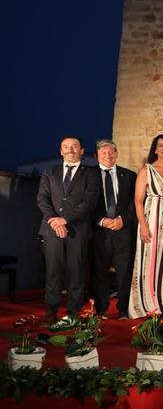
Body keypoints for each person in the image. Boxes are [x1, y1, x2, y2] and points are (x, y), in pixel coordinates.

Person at [38, 136, 100, 329]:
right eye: (66, 147)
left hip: (78, 230)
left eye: (74, 146)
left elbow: (89, 203)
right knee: (52, 272)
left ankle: (73, 312)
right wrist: (54, 221)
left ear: (82, 151)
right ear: (60, 151)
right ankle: (51, 311)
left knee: (76, 272)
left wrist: (65, 220)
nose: (70, 150)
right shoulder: (49, 173)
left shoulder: (91, 174)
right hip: (51, 230)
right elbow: (42, 199)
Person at [130, 134, 163, 319]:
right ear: (155, 149)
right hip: (151, 220)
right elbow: (137, 201)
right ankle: (149, 305)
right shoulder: (146, 170)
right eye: (161, 146)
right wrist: (143, 224)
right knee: (149, 261)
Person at [90, 139, 136, 320]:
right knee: (99, 272)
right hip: (99, 232)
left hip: (123, 232)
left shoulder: (130, 176)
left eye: (111, 152)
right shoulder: (88, 175)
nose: (108, 156)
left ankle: (123, 310)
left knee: (124, 273)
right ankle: (101, 310)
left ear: (116, 154)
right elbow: (85, 204)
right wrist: (101, 220)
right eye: (103, 153)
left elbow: (136, 202)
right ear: (96, 156)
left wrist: (122, 219)